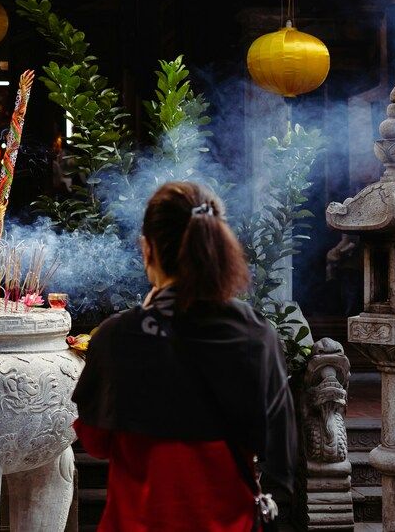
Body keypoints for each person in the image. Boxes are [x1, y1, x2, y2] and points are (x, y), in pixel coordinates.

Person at [72, 181, 296, 532]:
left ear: (148, 250)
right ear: (218, 247)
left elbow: (95, 441)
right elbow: (280, 454)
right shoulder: (257, 335)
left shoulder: (118, 336)